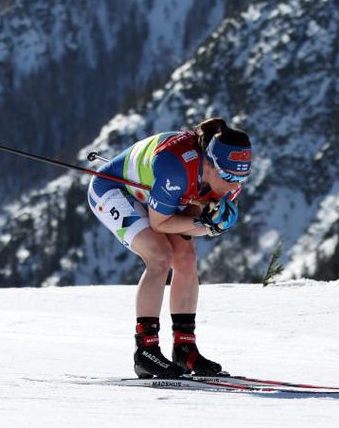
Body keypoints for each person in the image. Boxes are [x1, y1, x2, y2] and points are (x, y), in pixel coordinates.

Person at [87, 117, 252, 378]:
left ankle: (185, 348)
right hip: (114, 190)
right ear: (209, 163)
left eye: (242, 177)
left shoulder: (223, 179)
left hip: (158, 195)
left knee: (186, 258)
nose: (235, 185)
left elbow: (191, 220)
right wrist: (205, 224)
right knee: (159, 256)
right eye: (229, 176)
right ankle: (146, 351)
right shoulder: (176, 165)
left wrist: (210, 226)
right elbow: (160, 222)